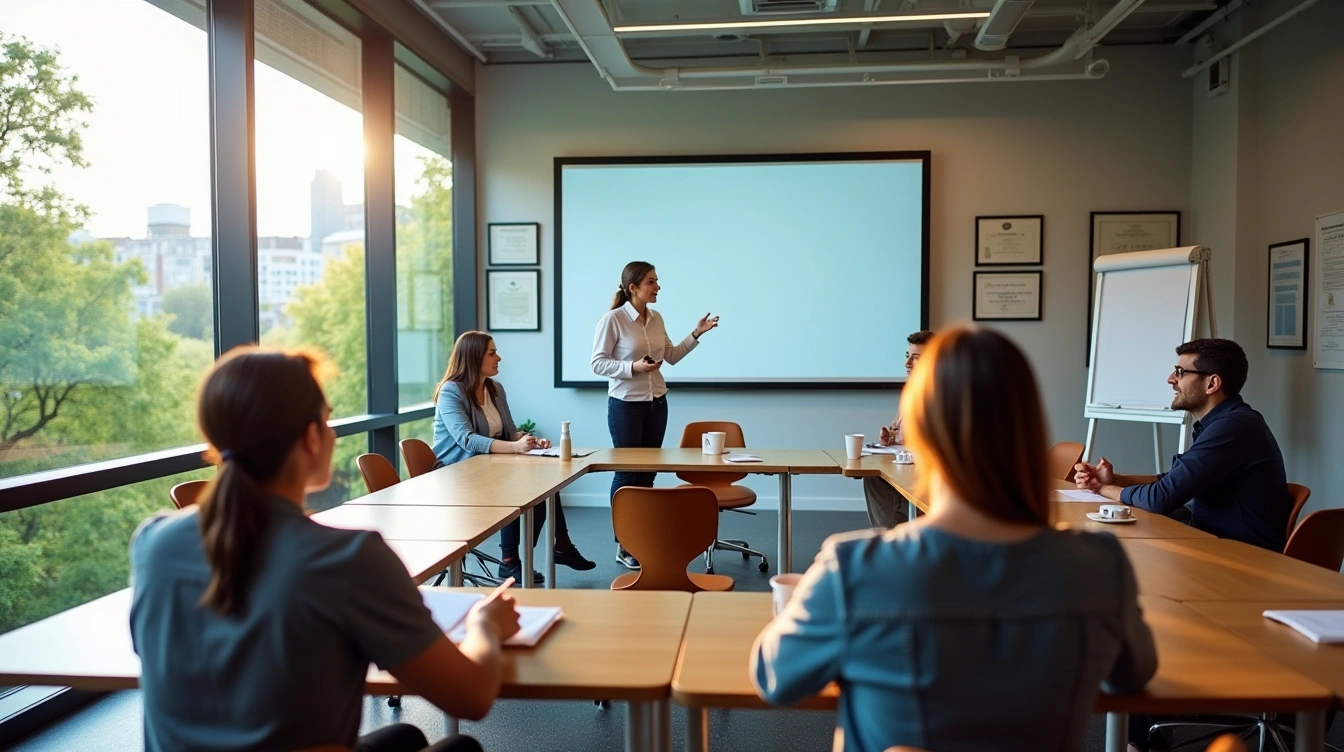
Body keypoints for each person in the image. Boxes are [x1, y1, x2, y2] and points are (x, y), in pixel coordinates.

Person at [752, 326, 1157, 752]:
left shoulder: (852, 569)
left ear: (922, 433)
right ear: (1030, 428)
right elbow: (1134, 675)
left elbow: (776, 679)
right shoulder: (1100, 566)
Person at [130, 347, 518, 752]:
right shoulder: (349, 558)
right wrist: (484, 626)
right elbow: (471, 697)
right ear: (310, 437)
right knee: (461, 747)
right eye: (327, 419)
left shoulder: (153, 542)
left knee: (407, 736)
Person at [1074, 338, 1289, 552]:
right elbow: (1174, 481)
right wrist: (1116, 480)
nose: (1171, 379)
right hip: (1211, 542)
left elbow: (1160, 498)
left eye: (1180, 372)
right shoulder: (1225, 422)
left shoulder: (1232, 427)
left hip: (1241, 557)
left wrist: (1102, 488)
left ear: (1212, 384)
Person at [433, 331, 595, 582]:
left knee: (544, 483)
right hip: (458, 474)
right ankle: (532, 554)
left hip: (490, 467)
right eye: (492, 353)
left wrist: (528, 441)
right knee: (518, 485)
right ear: (474, 357)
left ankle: (534, 553)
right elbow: (467, 439)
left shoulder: (495, 389)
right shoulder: (451, 392)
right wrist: (515, 448)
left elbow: (509, 431)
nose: (499, 358)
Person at [592, 261, 718, 570]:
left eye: (656, 281)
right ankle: (624, 544)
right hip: (625, 404)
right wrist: (633, 367)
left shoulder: (657, 318)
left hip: (656, 402)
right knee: (627, 474)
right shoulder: (613, 320)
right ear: (633, 287)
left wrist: (697, 333)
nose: (657, 287)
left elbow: (671, 356)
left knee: (648, 473)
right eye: (651, 281)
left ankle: (642, 538)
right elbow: (597, 363)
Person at [862, 330, 933, 528]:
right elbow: (898, 430)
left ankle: (895, 538)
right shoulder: (912, 392)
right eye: (907, 356)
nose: (907, 363)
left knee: (877, 479)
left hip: (925, 475)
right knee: (874, 478)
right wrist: (890, 438)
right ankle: (891, 536)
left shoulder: (942, 394)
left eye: (915, 358)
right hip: (907, 466)